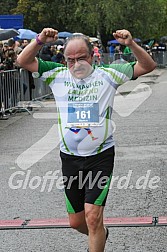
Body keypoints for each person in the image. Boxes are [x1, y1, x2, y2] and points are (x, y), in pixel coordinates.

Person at [17, 28, 156, 252]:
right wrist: (40, 40)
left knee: (93, 217)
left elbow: (148, 66)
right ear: (65, 60)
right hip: (70, 159)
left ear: (92, 56)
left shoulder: (108, 74)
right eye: (70, 60)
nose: (76, 64)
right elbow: (23, 60)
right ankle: (100, 233)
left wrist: (131, 44)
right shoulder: (57, 74)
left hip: (100, 157)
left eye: (81, 58)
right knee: (77, 222)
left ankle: (96, 231)